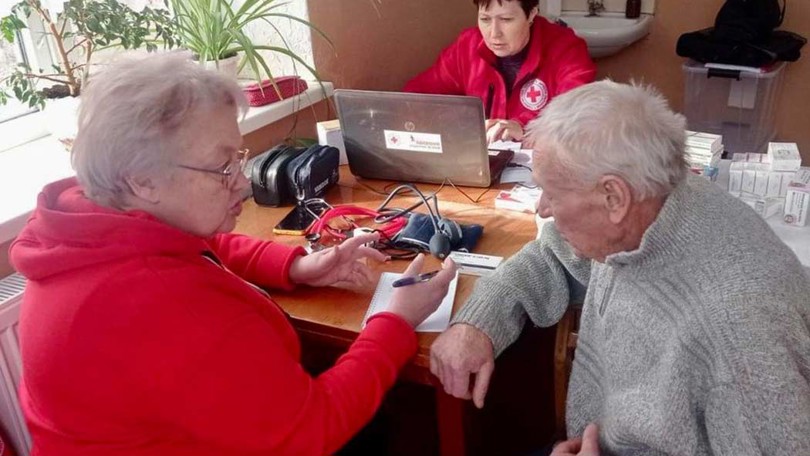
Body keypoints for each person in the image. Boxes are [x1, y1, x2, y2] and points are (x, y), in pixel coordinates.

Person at [10, 53, 457, 456]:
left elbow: (203, 244)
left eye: (239, 159)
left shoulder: (91, 223)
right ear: (141, 178)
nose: (243, 183)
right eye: (223, 167)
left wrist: (296, 264)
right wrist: (395, 322)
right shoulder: (162, 309)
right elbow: (311, 432)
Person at [430, 80, 810, 454]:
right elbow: (552, 255)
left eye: (552, 193)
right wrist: (479, 321)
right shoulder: (655, 201)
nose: (541, 208)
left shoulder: (742, 328)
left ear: (614, 196)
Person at [404, 0, 595, 143]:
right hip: (480, 170)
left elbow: (577, 113)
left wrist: (524, 127)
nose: (494, 33)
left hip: (541, 171)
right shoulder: (467, 46)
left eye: (506, 19)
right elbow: (415, 96)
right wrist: (459, 123)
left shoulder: (567, 49)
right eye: (485, 19)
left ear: (531, 15)